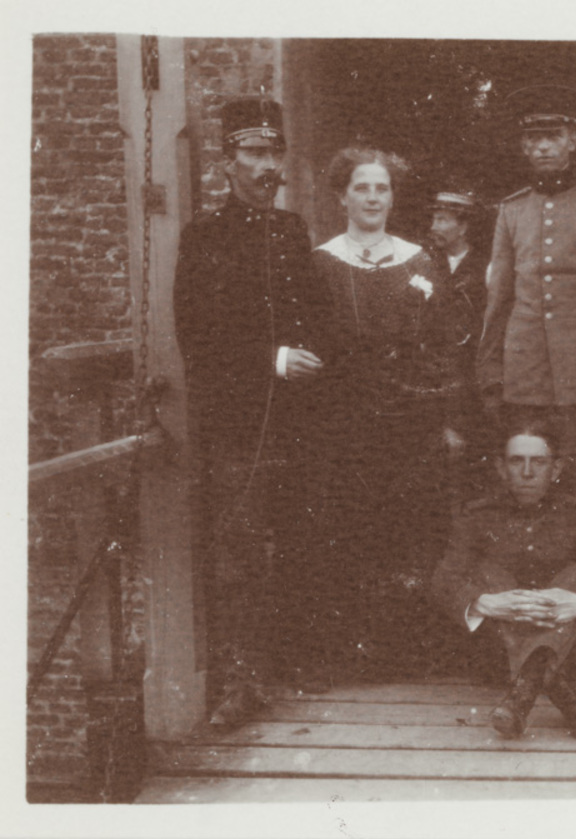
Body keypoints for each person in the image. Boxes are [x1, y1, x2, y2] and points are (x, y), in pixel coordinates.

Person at [173, 97, 331, 723]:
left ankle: (292, 663)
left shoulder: (291, 230)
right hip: (239, 427)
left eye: (275, 154)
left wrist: (311, 353)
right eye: (255, 153)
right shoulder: (204, 236)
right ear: (227, 162)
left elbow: (314, 314)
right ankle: (241, 682)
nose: (268, 167)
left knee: (299, 539)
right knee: (239, 555)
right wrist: (274, 359)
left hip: (298, 421)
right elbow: (197, 338)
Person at [313, 147, 463, 679]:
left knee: (412, 529)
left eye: (382, 188)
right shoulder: (322, 262)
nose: (373, 198)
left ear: (393, 198)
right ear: (342, 197)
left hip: (411, 420)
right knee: (353, 528)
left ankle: (412, 652)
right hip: (347, 421)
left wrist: (446, 416)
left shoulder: (421, 260)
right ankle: (356, 653)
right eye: (362, 188)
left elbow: (443, 342)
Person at [476, 85, 576, 500]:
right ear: (523, 146)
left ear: (573, 141)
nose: (544, 147)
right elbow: (499, 302)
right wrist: (491, 374)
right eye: (534, 139)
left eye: (554, 137)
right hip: (522, 374)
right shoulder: (512, 209)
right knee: (523, 484)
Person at [432, 418, 576, 739]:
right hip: (496, 649)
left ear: (556, 468)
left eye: (539, 462)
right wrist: (485, 603)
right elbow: (444, 579)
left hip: (569, 644)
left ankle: (523, 694)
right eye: (516, 461)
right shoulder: (478, 515)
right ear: (500, 467)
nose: (527, 472)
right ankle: (555, 686)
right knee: (486, 571)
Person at [427, 186, 491, 498]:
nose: (434, 227)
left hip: (473, 367)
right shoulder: (423, 262)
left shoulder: (487, 266)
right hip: (433, 365)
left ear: (463, 226)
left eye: (442, 220)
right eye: (434, 219)